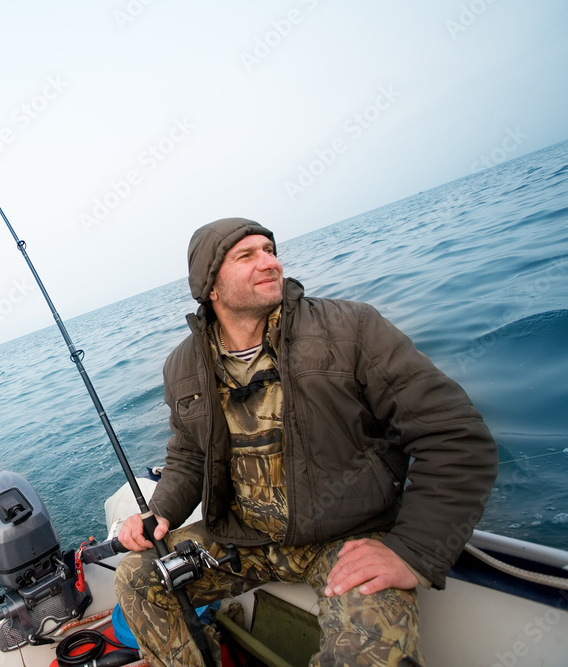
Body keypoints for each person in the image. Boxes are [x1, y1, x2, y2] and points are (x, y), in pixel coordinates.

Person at [114, 218, 498, 667]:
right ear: (210, 286)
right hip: (247, 542)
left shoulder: (351, 329)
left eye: (270, 250)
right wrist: (161, 511)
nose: (270, 262)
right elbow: (189, 453)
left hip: (346, 539)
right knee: (137, 577)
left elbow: (454, 435)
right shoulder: (182, 365)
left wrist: (411, 551)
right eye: (247, 256)